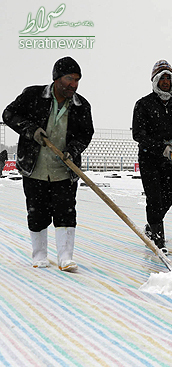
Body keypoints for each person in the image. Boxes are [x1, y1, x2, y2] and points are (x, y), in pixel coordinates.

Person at [2, 56, 94, 271]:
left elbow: (85, 134)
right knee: (37, 212)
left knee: (66, 212)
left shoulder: (81, 105)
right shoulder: (33, 95)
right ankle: (40, 255)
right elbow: (8, 114)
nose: (74, 84)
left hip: (65, 169)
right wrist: (31, 130)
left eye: (77, 79)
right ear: (56, 78)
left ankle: (65, 257)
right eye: (69, 79)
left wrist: (73, 149)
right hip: (35, 167)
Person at [132, 60, 172, 253]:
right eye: (162, 77)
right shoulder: (144, 104)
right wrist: (160, 147)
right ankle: (158, 240)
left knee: (166, 199)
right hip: (150, 159)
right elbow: (138, 134)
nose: (165, 81)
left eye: (169, 77)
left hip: (169, 160)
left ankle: (152, 226)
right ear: (155, 80)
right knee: (154, 199)